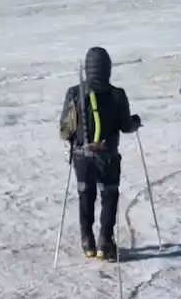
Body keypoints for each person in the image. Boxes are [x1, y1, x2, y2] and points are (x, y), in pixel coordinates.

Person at [59, 47, 141, 261]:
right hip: (108, 156)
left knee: (86, 195)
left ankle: (87, 241)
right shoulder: (117, 94)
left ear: (87, 68)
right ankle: (105, 241)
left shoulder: (74, 93)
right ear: (108, 68)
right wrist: (135, 122)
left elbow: (65, 129)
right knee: (109, 196)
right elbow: (125, 126)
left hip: (81, 156)